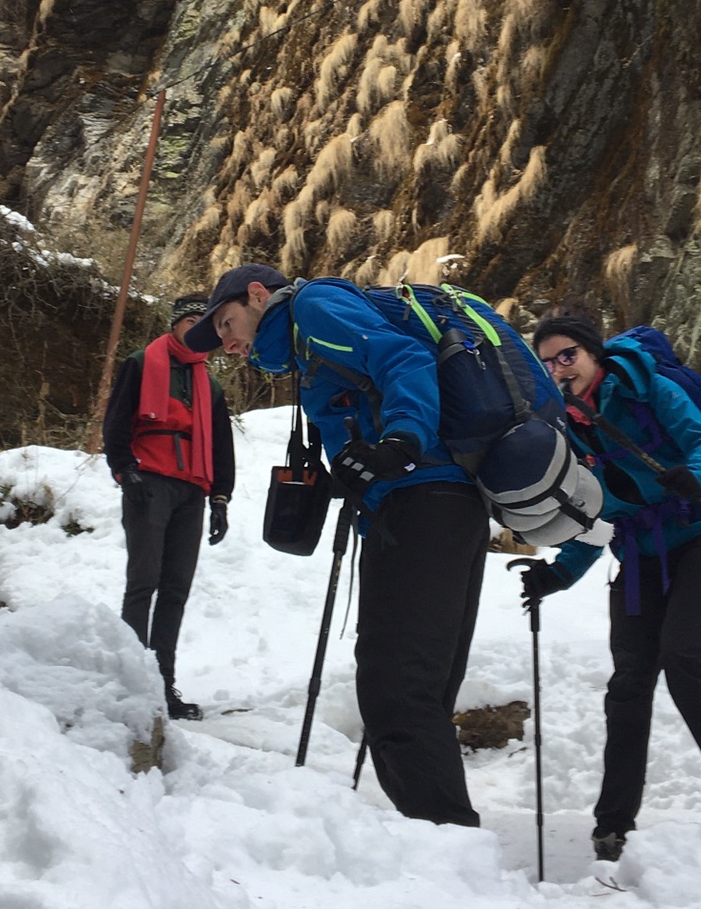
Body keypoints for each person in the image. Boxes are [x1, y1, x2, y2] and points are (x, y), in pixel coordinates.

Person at [185, 265, 488, 828]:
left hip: (421, 499)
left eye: (227, 322)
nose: (228, 342)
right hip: (434, 505)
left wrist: (400, 441)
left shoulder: (313, 309)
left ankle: (447, 844)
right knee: (417, 688)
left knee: (393, 689)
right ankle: (448, 841)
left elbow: (403, 359)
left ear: (257, 295)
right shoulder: (305, 349)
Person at [521, 310, 701, 860]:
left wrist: (697, 479)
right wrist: (558, 573)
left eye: (568, 355)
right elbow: (591, 513)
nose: (559, 368)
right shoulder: (566, 428)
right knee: (629, 684)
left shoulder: (649, 389)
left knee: (684, 661)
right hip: (638, 554)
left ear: (593, 354)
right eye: (547, 362)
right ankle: (613, 824)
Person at [102, 294, 235, 721]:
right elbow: (117, 421)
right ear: (176, 324)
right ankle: (132, 681)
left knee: (176, 588)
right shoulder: (141, 363)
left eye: (206, 325)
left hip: (191, 489)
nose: (199, 331)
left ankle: (163, 682)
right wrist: (125, 469)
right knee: (143, 581)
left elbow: (220, 448)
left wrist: (220, 499)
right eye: (192, 321)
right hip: (149, 481)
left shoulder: (209, 385)